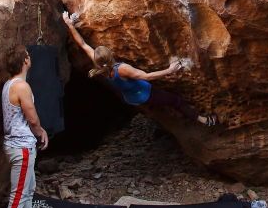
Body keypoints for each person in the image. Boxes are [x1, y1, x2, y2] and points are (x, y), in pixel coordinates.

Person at [62, 11, 218, 126]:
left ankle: (158, 116)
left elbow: (82, 44)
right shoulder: (122, 69)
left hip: (131, 98)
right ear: (110, 56)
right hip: (144, 94)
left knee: (160, 102)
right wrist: (169, 70)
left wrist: (69, 24)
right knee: (175, 101)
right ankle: (203, 120)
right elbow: (147, 77)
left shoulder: (99, 66)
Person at [2, 45, 49, 208]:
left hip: (18, 146)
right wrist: (41, 131)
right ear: (25, 61)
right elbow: (32, 118)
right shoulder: (22, 86)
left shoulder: (9, 84)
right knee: (18, 196)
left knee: (28, 192)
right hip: (21, 148)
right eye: (28, 56)